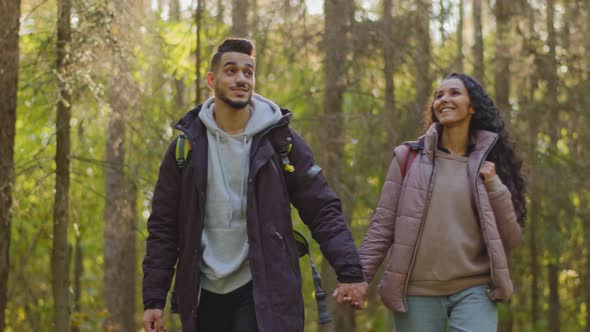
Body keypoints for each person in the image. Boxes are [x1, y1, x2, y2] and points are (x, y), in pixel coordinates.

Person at [142, 38, 368, 332]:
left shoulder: (280, 141)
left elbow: (322, 208)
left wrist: (350, 271)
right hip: (203, 292)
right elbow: (163, 226)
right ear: (212, 79)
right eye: (231, 71)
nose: (241, 79)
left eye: (248, 72)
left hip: (264, 288)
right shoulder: (186, 146)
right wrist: (153, 299)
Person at [336, 73, 526, 331]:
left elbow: (511, 238)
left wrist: (494, 184)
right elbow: (382, 225)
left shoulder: (489, 166)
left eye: (454, 93)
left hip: (474, 289)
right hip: (416, 293)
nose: (444, 99)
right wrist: (358, 278)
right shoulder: (407, 158)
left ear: (472, 107)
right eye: (439, 95)